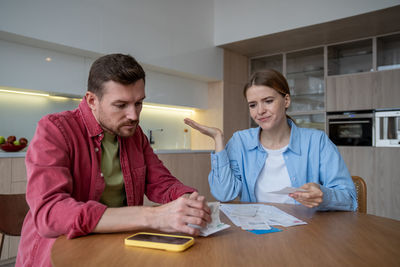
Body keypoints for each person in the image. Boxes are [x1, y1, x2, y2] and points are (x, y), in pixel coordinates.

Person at [16, 54, 211, 267]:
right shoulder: (55, 129)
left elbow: (161, 182)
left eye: (138, 103)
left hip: (118, 247)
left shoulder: (135, 135)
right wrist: (153, 216)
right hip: (60, 254)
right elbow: (50, 214)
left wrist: (188, 200)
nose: (134, 115)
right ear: (92, 100)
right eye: (121, 105)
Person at [184, 69, 357, 211]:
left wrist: (323, 195)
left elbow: (349, 199)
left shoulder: (316, 142)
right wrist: (218, 141)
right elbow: (224, 194)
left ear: (286, 100)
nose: (260, 111)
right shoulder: (240, 141)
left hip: (308, 233)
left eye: (268, 101)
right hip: (256, 233)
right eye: (253, 105)